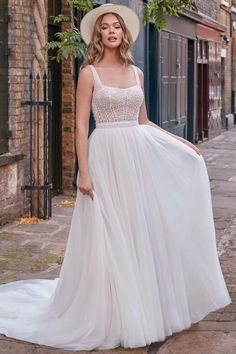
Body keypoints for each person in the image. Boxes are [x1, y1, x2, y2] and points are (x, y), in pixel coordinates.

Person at [0, 3, 232, 351]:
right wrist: (84, 170)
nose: (111, 32)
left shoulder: (136, 73)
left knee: (137, 230)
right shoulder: (88, 73)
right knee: (108, 232)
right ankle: (107, 310)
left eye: (117, 27)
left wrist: (182, 142)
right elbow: (80, 125)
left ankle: (139, 306)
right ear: (98, 34)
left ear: (124, 34)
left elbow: (144, 122)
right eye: (105, 27)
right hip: (105, 155)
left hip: (136, 158)